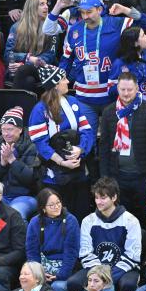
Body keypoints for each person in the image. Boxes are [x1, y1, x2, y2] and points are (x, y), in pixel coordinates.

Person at [59, 0, 146, 133]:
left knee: (114, 142)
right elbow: (66, 60)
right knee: (87, 140)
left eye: (89, 12)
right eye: (82, 12)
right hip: (84, 97)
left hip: (111, 96)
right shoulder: (74, 30)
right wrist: (58, 80)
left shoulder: (115, 24)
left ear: (100, 10)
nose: (85, 17)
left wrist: (125, 10)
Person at [99, 73, 146, 246]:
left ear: (137, 88)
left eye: (130, 89)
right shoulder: (108, 112)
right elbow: (104, 148)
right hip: (118, 176)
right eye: (122, 89)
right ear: (117, 89)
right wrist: (105, 178)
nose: (126, 93)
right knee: (122, 220)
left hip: (145, 177)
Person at [28, 65, 95, 221]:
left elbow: (87, 131)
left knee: (81, 214)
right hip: (53, 177)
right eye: (64, 79)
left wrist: (80, 149)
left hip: (78, 170)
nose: (68, 81)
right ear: (55, 85)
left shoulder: (73, 102)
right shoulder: (39, 110)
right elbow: (40, 143)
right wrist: (62, 162)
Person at [68, 177, 141, 291]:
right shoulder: (88, 221)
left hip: (124, 269)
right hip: (95, 269)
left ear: (114, 198)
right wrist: (98, 276)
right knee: (73, 283)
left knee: (128, 285)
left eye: (103, 198)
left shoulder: (131, 220)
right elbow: (85, 252)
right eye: (96, 198)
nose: (98, 202)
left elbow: (132, 255)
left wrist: (107, 278)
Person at [0, 106, 40, 222]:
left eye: (10, 129)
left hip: (25, 197)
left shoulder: (32, 146)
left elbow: (32, 179)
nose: (6, 134)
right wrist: (1, 165)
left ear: (20, 129)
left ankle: (21, 241)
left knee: (15, 214)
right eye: (4, 129)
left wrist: (13, 161)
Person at [26, 189, 81, 291]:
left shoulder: (71, 221)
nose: (56, 207)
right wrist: (39, 273)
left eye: (58, 202)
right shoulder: (35, 222)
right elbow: (32, 251)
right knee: (29, 282)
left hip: (65, 267)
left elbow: (71, 251)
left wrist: (61, 275)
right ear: (43, 208)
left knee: (57, 286)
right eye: (51, 205)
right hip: (43, 266)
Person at [109, 27, 146, 121]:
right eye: (143, 35)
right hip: (134, 110)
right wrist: (131, 89)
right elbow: (110, 89)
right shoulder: (119, 63)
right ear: (135, 43)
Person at [4, 0, 57, 93]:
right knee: (28, 81)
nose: (46, 7)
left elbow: (50, 56)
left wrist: (25, 63)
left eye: (46, 4)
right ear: (32, 7)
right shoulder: (16, 27)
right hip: (20, 71)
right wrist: (26, 58)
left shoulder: (51, 28)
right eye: (42, 4)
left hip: (42, 69)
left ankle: (15, 106)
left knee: (24, 72)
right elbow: (8, 54)